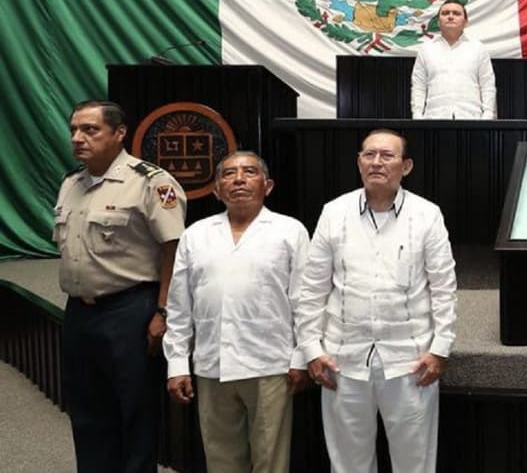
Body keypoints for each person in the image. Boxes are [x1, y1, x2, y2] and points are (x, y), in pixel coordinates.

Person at [295, 129, 458, 473]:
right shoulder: (334, 212)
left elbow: (444, 287)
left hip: (410, 361)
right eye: (369, 155)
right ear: (359, 162)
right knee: (348, 465)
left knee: (414, 464)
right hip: (343, 360)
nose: (377, 162)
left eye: (387, 155)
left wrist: (440, 348)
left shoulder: (426, 214)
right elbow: (312, 288)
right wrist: (311, 348)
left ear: (406, 166)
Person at [54, 99, 186, 473]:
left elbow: (173, 250)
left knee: (136, 413)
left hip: (130, 310)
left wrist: (163, 312)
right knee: (87, 412)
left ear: (119, 133)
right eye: (74, 130)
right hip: (80, 311)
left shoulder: (150, 182)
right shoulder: (70, 184)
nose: (78, 138)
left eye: (90, 130)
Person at [163, 151, 311, 473]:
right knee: (221, 461)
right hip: (211, 363)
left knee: (270, 461)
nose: (239, 179)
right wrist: (177, 364)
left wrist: (302, 356)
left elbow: (305, 300)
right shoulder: (195, 234)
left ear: (267, 185)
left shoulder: (290, 231)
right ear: (217, 190)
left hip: (270, 364)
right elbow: (178, 305)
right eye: (229, 174)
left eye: (249, 172)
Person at [411, 0, 497, 119]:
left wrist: (487, 115)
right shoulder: (426, 49)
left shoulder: (478, 48)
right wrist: (417, 115)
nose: (450, 16)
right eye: (445, 13)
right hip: (434, 119)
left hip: (472, 119)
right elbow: (419, 85)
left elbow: (487, 84)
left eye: (456, 13)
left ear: (465, 22)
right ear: (438, 21)